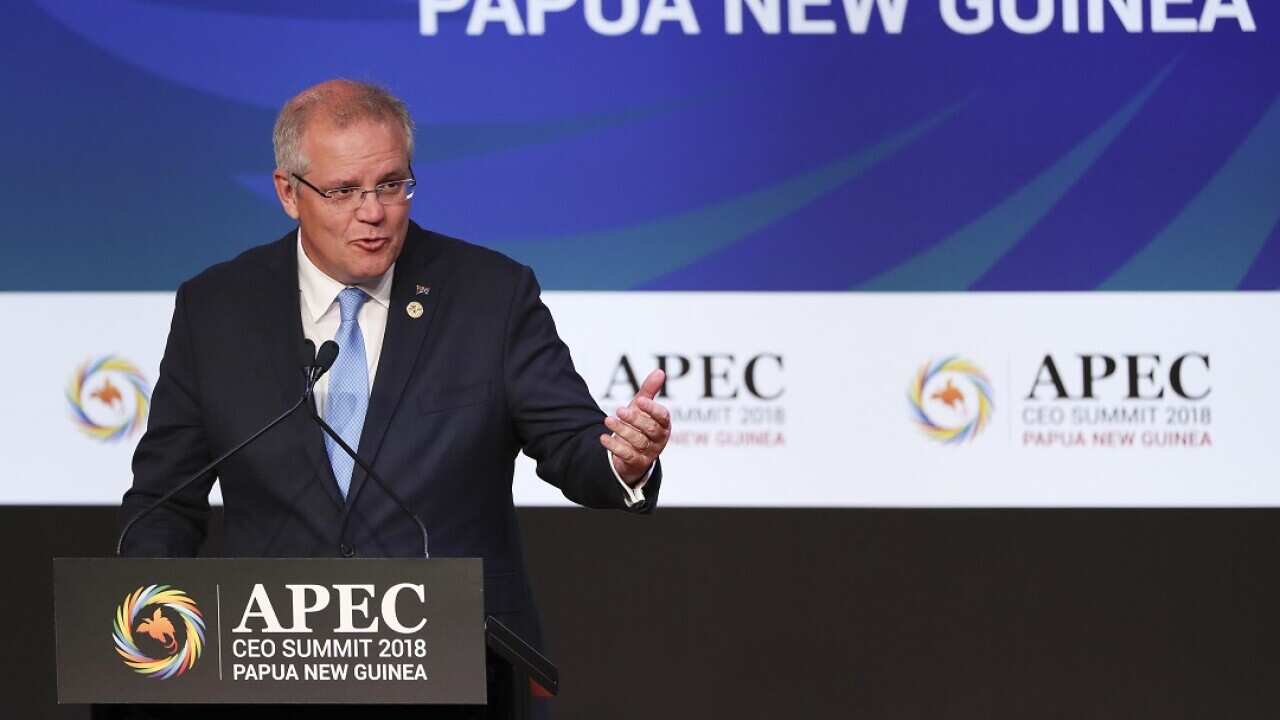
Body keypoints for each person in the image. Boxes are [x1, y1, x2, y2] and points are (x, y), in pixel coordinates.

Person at [117, 79, 671, 716]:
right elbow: (162, 500)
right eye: (344, 191)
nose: (373, 211)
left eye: (391, 184)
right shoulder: (216, 308)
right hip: (271, 679)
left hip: (465, 677)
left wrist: (622, 461)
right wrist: (147, 648)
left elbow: (572, 442)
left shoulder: (490, 294)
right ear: (288, 193)